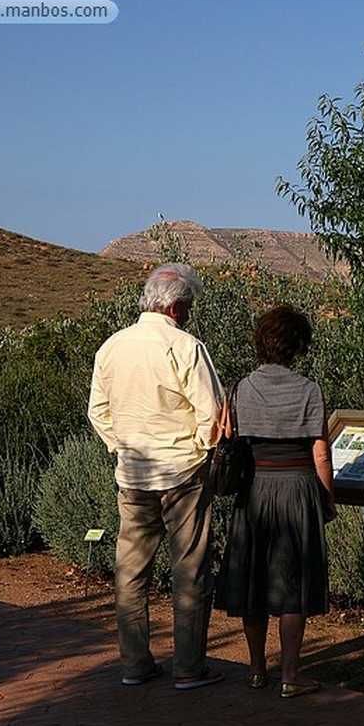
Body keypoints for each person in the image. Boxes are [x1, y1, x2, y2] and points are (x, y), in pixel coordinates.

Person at [88, 262, 226, 690]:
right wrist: (199, 451)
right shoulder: (186, 347)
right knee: (189, 569)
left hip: (133, 473)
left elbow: (98, 411)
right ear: (178, 308)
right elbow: (213, 414)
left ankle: (135, 664)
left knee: (130, 570)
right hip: (182, 471)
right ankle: (188, 667)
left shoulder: (112, 347)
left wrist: (121, 444)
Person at [216, 304, 337, 698]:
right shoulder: (309, 390)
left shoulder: (239, 389)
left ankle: (255, 669)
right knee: (293, 586)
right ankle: (290, 675)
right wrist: (326, 501)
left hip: (255, 489)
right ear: (297, 345)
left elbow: (228, 439)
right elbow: (321, 454)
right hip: (298, 489)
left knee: (253, 580)